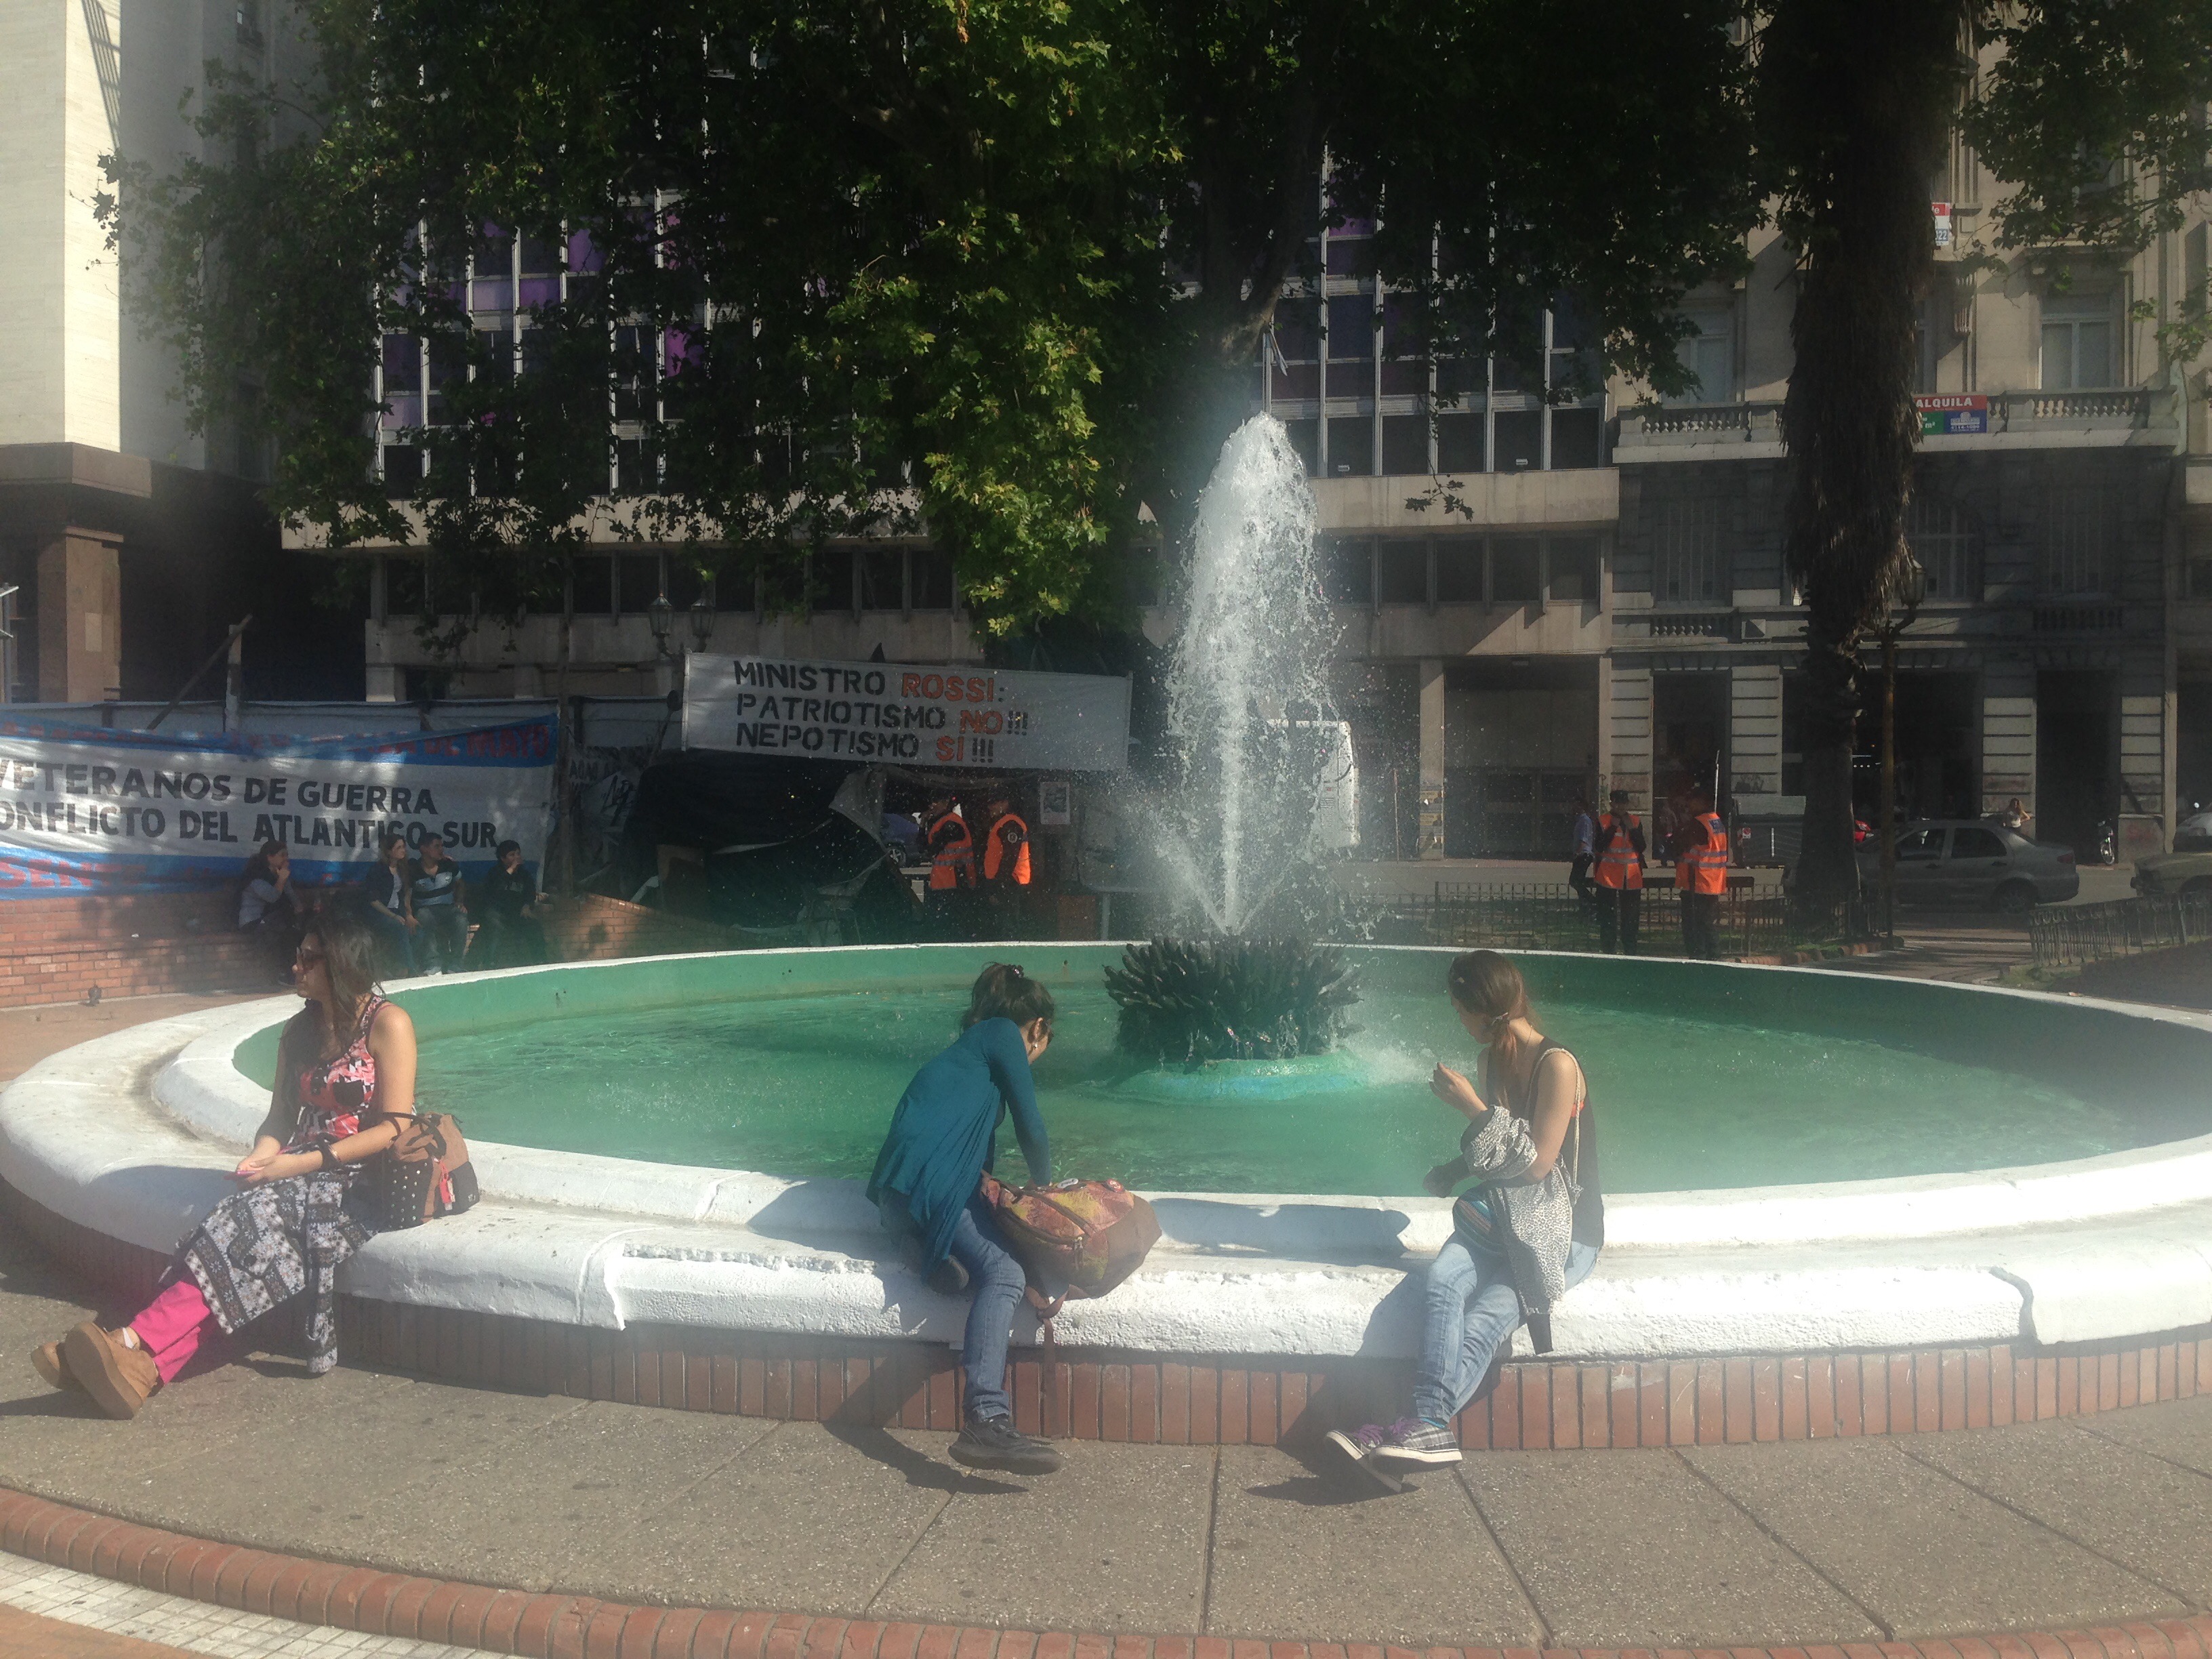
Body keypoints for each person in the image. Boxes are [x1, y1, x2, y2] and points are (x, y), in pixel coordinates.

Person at [32, 906, 416, 1418]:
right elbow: (280, 1118)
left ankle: (127, 1341)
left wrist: (300, 1165)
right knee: (236, 1241)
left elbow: (395, 1127)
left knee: (244, 1228)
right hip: (298, 1169)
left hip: (359, 1181)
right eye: (298, 956)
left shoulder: (388, 1024)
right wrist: (261, 1155)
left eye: (308, 958)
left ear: (341, 963)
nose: (296, 966)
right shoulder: (299, 1030)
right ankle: (142, 1369)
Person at [1328, 950, 1603, 1486]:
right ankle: (1423, 1431)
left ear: (1481, 1009)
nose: (1458, 1019)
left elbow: (1537, 1164)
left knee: (1485, 1320)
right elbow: (1501, 1153)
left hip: (1562, 1235)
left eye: (1459, 1010)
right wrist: (1455, 1170)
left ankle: (1408, 1428)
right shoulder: (1490, 1062)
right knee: (1441, 1283)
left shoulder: (1558, 1065)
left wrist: (1472, 1108)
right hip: (1502, 1218)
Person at [866, 962, 1061, 1475]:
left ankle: (929, 1252)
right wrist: (1045, 1191)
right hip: (933, 1186)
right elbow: (1032, 1126)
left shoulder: (967, 1055)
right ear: (1038, 1028)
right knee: (1006, 1274)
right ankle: (986, 1419)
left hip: (899, 1193)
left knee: (988, 1256)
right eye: (1044, 1042)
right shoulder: (1002, 1034)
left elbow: (968, 1152)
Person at [473, 840, 552, 968]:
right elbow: (494, 891)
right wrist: (511, 870)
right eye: (512, 855)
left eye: (518, 854)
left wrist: (527, 906)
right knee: (494, 927)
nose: (517, 857)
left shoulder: (524, 875)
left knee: (534, 926)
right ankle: (490, 963)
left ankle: (540, 961)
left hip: (517, 913)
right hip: (497, 913)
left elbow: (530, 893)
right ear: (503, 858)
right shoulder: (495, 873)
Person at [238, 840, 305, 984]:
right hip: (254, 921)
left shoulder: (279, 874)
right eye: (282, 855)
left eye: (287, 855)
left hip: (273, 921)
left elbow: (290, 895)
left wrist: (299, 908)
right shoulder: (256, 876)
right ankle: (283, 973)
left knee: (294, 931)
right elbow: (272, 897)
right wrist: (281, 879)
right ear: (270, 857)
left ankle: (292, 972)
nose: (286, 859)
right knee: (284, 932)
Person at [1673, 793, 1729, 959]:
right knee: (1706, 922)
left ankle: (1700, 956)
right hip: (1712, 880)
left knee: (1694, 923)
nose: (1689, 805)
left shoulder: (1699, 823)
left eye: (1692, 801)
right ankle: (1713, 955)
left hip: (1697, 881)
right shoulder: (1715, 821)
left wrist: (1680, 827)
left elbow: (1681, 843)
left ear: (1702, 802)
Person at [1592, 789, 1645, 955]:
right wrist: (1613, 827)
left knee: (1630, 917)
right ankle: (1608, 948)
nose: (1621, 806)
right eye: (1617, 803)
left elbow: (1642, 846)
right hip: (1608, 876)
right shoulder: (1603, 821)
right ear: (1612, 803)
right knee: (1608, 916)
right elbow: (1600, 845)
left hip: (1631, 877)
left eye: (1623, 803)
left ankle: (1630, 949)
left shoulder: (1635, 821)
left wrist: (1632, 829)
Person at [407, 833, 468, 974]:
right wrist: (409, 914)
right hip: (425, 909)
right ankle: (432, 964)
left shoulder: (449, 865)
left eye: (442, 846)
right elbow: (406, 894)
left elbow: (460, 883)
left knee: (461, 918)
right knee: (424, 916)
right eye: (436, 846)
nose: (441, 849)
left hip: (448, 908)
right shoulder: (414, 869)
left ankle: (455, 964)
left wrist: (460, 902)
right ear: (424, 849)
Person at [361, 832, 416, 975]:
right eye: (399, 848)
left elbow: (407, 893)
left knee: (417, 930)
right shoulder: (377, 870)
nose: (403, 850)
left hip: (398, 911)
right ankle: (410, 970)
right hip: (380, 914)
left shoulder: (404, 869)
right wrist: (393, 916)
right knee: (400, 928)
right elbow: (373, 900)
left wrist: (409, 914)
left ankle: (399, 968)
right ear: (389, 851)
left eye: (403, 847)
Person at [979, 795, 1032, 936]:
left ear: (1005, 803)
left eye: (994, 803)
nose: (990, 807)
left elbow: (1009, 858)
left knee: (1009, 925)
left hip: (1011, 882)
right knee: (1005, 923)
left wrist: (999, 885)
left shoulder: (1010, 824)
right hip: (1005, 881)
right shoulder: (1002, 823)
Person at [924, 800, 977, 939]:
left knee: (951, 923)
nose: (932, 806)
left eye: (936, 802)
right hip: (945, 880)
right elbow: (924, 847)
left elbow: (930, 849)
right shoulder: (943, 822)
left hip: (954, 879)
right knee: (949, 922)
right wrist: (924, 824)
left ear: (946, 803)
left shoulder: (951, 823)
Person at [1567, 800, 1596, 905]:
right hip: (1582, 855)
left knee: (1575, 881)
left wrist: (1577, 853)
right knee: (1578, 880)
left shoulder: (1585, 820)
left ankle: (1592, 900)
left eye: (1576, 805)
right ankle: (1584, 904)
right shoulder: (1580, 820)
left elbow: (1584, 839)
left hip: (1584, 854)